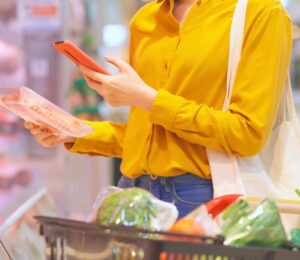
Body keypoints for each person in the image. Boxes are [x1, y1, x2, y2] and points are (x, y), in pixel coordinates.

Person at [25, 0, 292, 219]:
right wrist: (74, 132)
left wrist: (148, 99)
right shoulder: (146, 20)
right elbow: (149, 138)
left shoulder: (261, 13)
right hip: (130, 191)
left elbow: (246, 133)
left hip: (207, 199)